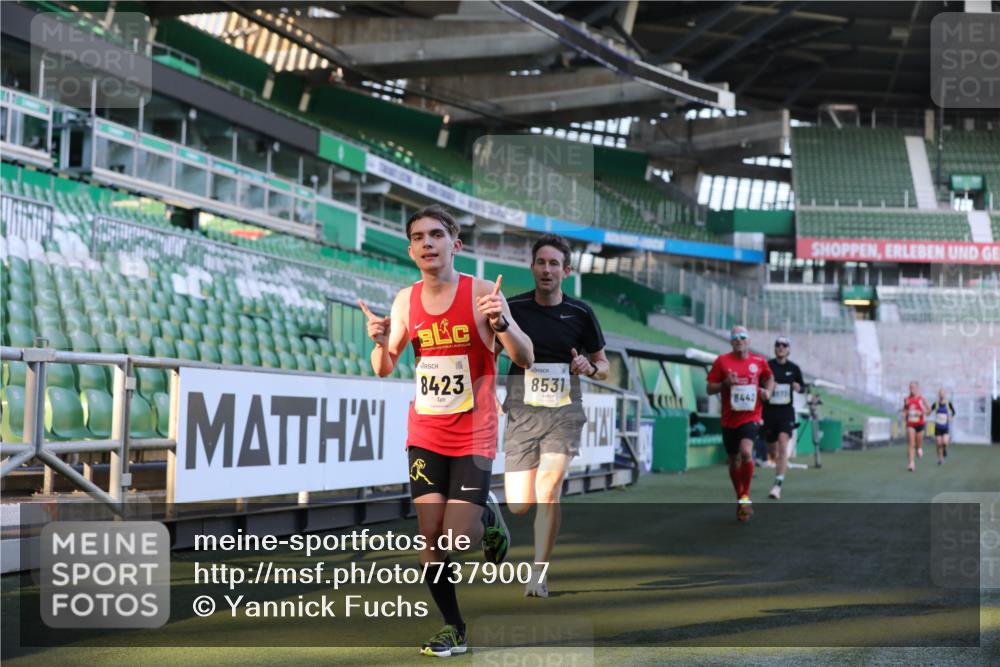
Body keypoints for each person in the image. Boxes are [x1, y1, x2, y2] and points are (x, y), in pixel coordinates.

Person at [359, 204, 534, 657]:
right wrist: (380, 343)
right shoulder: (405, 299)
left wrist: (502, 324)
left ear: (455, 245)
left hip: (474, 430)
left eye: (436, 235)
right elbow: (384, 367)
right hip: (426, 431)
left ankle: (486, 516)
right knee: (430, 535)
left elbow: (525, 357)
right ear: (411, 248)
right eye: (418, 237)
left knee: (460, 537)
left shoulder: (483, 294)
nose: (427, 243)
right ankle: (453, 627)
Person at [500, 234, 608, 598]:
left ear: (567, 270)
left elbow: (604, 366)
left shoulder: (580, 313)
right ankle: (490, 516)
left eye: (553, 264)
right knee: (518, 505)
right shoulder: (512, 309)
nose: (546, 269)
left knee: (549, 491)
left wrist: (588, 366)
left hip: (564, 411)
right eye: (540, 262)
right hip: (521, 410)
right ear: (532, 267)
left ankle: (538, 573)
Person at [706, 326, 774, 522]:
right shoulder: (722, 361)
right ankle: (740, 498)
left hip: (751, 416)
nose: (739, 340)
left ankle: (745, 496)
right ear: (731, 342)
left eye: (742, 337)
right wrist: (725, 384)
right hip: (729, 419)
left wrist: (767, 392)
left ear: (749, 341)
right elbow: (710, 388)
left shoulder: (759, 361)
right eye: (734, 337)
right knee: (733, 459)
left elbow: (770, 378)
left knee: (746, 452)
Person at [761, 336, 804, 500]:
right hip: (769, 413)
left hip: (786, 412)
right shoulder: (767, 366)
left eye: (784, 345)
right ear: (774, 348)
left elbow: (802, 386)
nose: (780, 347)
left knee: (783, 442)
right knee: (773, 450)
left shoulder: (794, 368)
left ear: (788, 349)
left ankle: (777, 485)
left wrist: (798, 387)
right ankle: (778, 461)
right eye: (778, 345)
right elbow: (758, 385)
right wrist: (766, 389)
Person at [901, 381, 930, 472]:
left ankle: (919, 448)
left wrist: (921, 412)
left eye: (914, 387)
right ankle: (911, 463)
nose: (912, 389)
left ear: (917, 388)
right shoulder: (907, 399)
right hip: (910, 424)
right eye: (910, 387)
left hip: (920, 424)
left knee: (918, 444)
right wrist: (904, 413)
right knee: (911, 443)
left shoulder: (922, 399)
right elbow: (905, 410)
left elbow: (929, 410)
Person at [930, 389, 956, 465]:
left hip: (945, 427)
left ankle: (945, 449)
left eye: (943, 394)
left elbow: (954, 412)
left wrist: (951, 418)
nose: (941, 395)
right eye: (940, 394)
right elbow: (929, 410)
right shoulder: (936, 403)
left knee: (944, 442)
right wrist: (924, 411)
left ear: (945, 395)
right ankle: (940, 459)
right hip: (937, 427)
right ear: (938, 395)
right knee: (938, 444)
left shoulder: (948, 403)